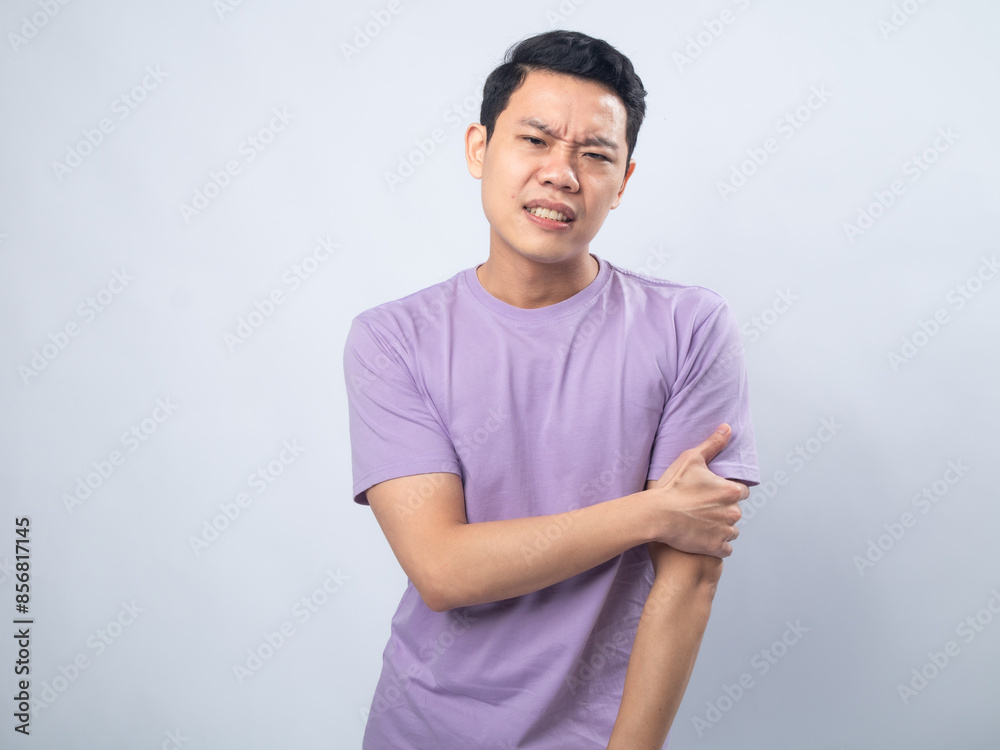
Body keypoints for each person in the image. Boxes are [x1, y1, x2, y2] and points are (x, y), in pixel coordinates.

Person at [344, 29, 759, 749]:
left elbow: (689, 580)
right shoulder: (392, 339)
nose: (562, 173)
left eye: (595, 154)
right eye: (536, 140)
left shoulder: (689, 327)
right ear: (480, 149)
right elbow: (443, 568)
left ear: (623, 180)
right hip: (421, 727)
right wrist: (650, 513)